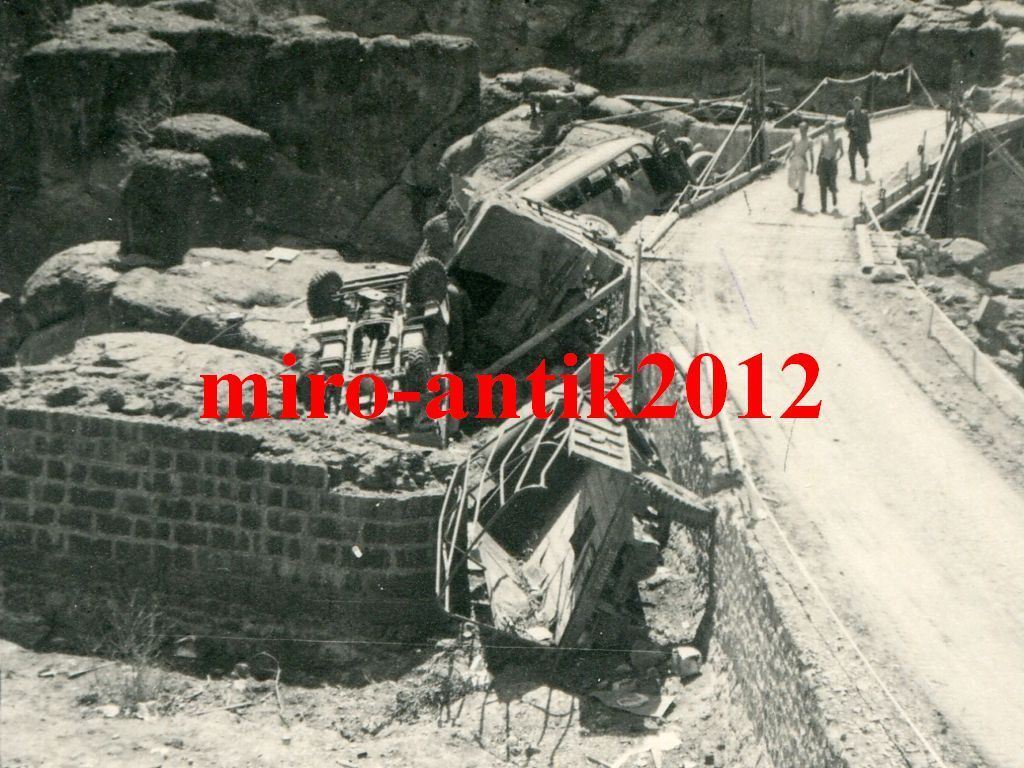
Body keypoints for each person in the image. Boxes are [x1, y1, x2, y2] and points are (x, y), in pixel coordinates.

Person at [816, 122, 844, 214]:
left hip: (832, 163)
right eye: (825, 128)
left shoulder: (838, 139)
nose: (825, 130)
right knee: (822, 185)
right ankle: (823, 207)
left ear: (832, 129)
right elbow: (821, 153)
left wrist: (837, 159)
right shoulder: (823, 139)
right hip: (824, 162)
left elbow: (842, 152)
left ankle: (834, 194)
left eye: (827, 128)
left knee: (832, 183)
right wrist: (818, 166)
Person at [787, 122, 813, 211]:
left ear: (807, 129)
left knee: (801, 183)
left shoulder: (809, 141)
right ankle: (800, 193)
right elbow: (790, 148)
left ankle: (799, 203)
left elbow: (811, 154)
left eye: (803, 129)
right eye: (800, 129)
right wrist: (785, 158)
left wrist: (812, 166)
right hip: (794, 160)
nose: (802, 131)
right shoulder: (795, 137)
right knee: (791, 183)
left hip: (802, 161)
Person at [845, 96, 871, 180]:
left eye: (858, 103)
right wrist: (851, 129)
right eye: (855, 103)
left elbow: (867, 126)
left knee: (864, 153)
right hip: (853, 138)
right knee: (851, 155)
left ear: (861, 104)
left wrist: (869, 135)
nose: (857, 105)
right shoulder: (850, 114)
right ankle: (853, 174)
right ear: (853, 104)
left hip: (862, 138)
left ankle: (866, 159)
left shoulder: (864, 114)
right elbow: (845, 126)